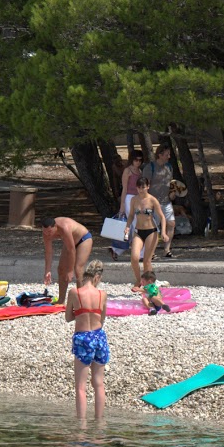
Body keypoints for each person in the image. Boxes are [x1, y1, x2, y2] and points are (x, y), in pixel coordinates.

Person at [66, 259, 109, 420]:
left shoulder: (74, 293)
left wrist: (81, 313)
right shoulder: (102, 294)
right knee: (98, 383)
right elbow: (102, 319)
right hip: (99, 337)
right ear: (97, 277)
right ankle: (99, 422)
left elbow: (68, 317)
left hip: (83, 338)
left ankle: (82, 426)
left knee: (81, 387)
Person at [41, 217, 95, 301]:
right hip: (70, 243)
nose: (48, 234)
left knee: (78, 269)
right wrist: (47, 271)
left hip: (83, 239)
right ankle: (61, 301)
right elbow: (48, 252)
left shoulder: (64, 228)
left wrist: (70, 270)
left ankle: (82, 301)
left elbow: (72, 250)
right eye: (45, 232)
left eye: (50, 232)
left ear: (55, 227)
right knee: (61, 269)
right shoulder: (45, 233)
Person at [127, 177, 168, 277]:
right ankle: (138, 280)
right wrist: (127, 226)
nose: (141, 190)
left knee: (147, 261)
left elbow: (162, 217)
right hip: (138, 231)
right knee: (134, 258)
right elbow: (131, 215)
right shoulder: (134, 199)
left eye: (143, 187)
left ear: (148, 187)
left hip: (151, 231)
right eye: (139, 188)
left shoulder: (152, 200)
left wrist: (163, 232)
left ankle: (149, 284)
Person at [119, 149, 144, 222]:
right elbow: (124, 189)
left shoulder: (140, 171)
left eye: (140, 160)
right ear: (132, 159)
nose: (138, 162)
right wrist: (122, 205)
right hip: (129, 198)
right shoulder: (127, 170)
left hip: (139, 198)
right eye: (136, 160)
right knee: (132, 220)